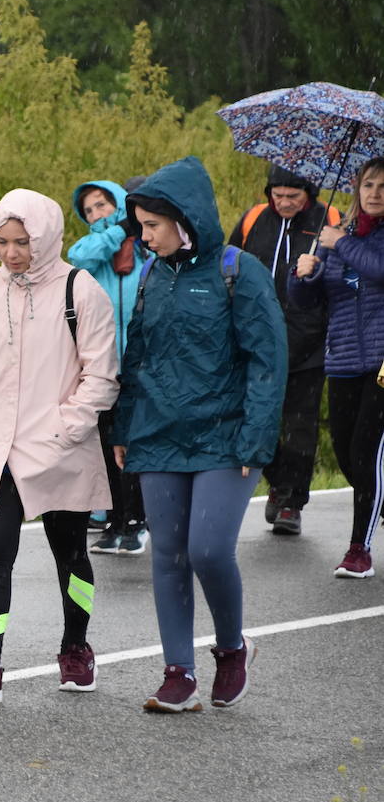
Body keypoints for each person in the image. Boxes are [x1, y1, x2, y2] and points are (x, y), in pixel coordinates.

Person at [111, 156, 287, 713]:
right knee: (167, 554)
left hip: (227, 435)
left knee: (208, 549)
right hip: (160, 431)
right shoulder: (150, 275)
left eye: (151, 227)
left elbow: (268, 360)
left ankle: (232, 650)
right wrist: (124, 426)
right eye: (140, 227)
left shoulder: (240, 271)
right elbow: (135, 354)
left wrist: (256, 438)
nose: (143, 238)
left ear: (183, 220)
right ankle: (177, 673)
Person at [0, 189, 118, 703]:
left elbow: (101, 375)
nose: (12, 253)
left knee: (71, 553)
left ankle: (76, 648)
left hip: (60, 447)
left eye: (22, 243)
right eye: (2, 242)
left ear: (46, 239)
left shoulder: (80, 291)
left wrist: (66, 431)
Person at [230, 165, 341, 536]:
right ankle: (277, 482)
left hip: (309, 342)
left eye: (293, 196)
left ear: (308, 191)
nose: (285, 202)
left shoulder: (330, 218)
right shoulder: (253, 219)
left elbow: (343, 273)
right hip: (257, 339)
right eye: (278, 195)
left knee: (299, 424)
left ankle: (292, 501)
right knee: (255, 417)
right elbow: (229, 265)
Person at [288, 156, 384, 579]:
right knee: (347, 455)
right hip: (343, 360)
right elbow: (308, 301)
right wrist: (303, 274)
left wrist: (339, 244)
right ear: (356, 190)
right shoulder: (341, 237)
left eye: (383, 187)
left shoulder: (347, 240)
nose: (375, 194)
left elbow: (379, 270)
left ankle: (358, 550)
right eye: (368, 186)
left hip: (382, 363)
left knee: (365, 453)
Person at [67, 179, 149, 555]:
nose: (97, 214)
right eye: (89, 210)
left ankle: (137, 521)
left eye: (103, 204)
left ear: (118, 202)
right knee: (104, 445)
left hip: (140, 362)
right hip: (101, 363)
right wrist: (118, 231)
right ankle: (114, 520)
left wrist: (132, 232)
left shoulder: (146, 246)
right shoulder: (94, 253)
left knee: (131, 443)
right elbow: (77, 256)